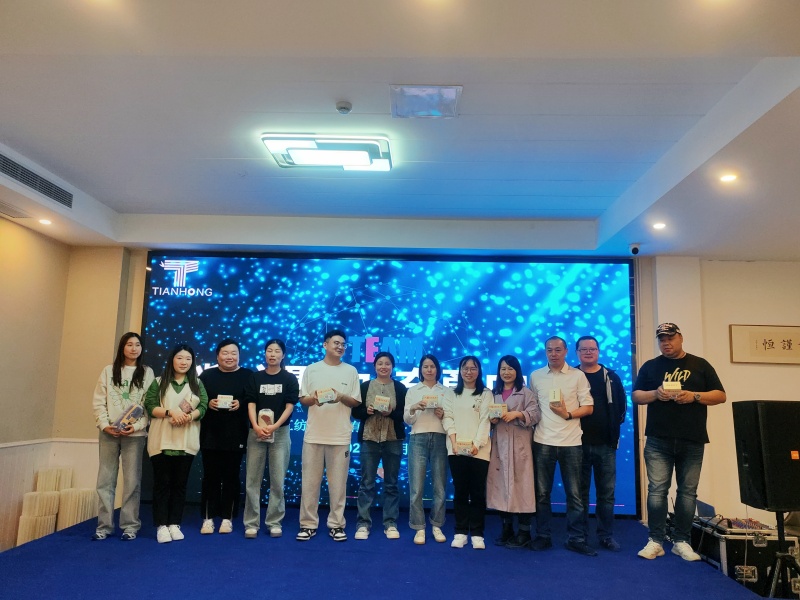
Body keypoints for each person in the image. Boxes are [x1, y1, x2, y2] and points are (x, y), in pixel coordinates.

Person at [633, 323, 726, 561]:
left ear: (681, 338)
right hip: (658, 439)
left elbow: (720, 395)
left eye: (670, 338)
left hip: (692, 439)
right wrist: (656, 394)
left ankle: (681, 541)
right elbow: (636, 396)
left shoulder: (700, 365)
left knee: (687, 492)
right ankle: (655, 540)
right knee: (657, 490)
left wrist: (694, 396)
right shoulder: (651, 366)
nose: (666, 343)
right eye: (662, 339)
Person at [529, 336, 596, 556]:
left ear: (566, 351)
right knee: (541, 494)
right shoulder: (536, 376)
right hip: (542, 441)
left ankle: (576, 539)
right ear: (545, 352)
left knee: (575, 495)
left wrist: (567, 414)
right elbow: (533, 407)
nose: (554, 353)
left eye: (558, 350)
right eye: (550, 350)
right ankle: (543, 536)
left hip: (571, 443)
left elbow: (588, 407)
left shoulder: (578, 376)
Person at [296, 329, 361, 542]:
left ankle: (336, 524)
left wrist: (341, 396)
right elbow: (303, 398)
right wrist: (314, 399)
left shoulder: (351, 371)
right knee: (310, 484)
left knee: (338, 485)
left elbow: (356, 401)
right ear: (325, 345)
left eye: (343, 344)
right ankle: (308, 524)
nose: (340, 347)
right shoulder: (312, 369)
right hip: (314, 435)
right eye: (336, 343)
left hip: (340, 436)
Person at [92, 332, 155, 541]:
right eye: (129, 344)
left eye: (137, 345)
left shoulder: (147, 372)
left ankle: (130, 526)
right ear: (122, 347)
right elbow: (99, 401)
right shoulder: (108, 371)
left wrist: (136, 426)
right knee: (105, 480)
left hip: (134, 436)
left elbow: (149, 405)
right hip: (109, 433)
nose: (134, 348)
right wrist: (104, 425)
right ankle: (104, 526)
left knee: (132, 481)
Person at [144, 343, 208, 544]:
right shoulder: (159, 381)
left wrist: (188, 417)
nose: (184, 362)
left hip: (185, 442)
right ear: (172, 359)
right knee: (162, 485)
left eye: (188, 359)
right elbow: (150, 405)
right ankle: (161, 525)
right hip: (161, 441)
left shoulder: (197, 383)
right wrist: (171, 412)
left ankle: (174, 523)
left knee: (180, 485)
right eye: (180, 358)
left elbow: (203, 406)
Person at [242, 338, 299, 539]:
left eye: (277, 351)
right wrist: (256, 426)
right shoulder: (255, 377)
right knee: (252, 480)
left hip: (280, 432)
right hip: (256, 432)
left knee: (277, 480)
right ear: (265, 353)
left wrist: (274, 426)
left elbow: (290, 406)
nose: (272, 354)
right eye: (269, 350)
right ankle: (251, 523)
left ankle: (274, 522)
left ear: (283, 355)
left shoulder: (289, 378)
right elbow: (250, 403)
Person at [575, 335, 627, 552]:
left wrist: (611, 428)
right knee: (579, 494)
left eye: (592, 349)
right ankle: (580, 536)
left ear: (598, 351)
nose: (588, 352)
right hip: (576, 445)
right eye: (584, 349)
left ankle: (605, 535)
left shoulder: (611, 377)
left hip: (606, 445)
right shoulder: (571, 376)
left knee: (606, 494)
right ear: (577, 353)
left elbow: (622, 408)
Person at [198, 339, 252, 535]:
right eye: (225, 353)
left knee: (231, 476)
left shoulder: (248, 375)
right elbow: (197, 400)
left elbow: (253, 399)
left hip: (236, 434)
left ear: (239, 355)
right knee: (210, 477)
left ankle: (227, 517)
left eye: (234, 353)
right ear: (217, 355)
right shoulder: (206, 375)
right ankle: (208, 518)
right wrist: (207, 403)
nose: (230, 357)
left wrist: (241, 404)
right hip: (210, 434)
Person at [486, 355, 540, 549]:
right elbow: (485, 418)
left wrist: (518, 414)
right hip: (500, 446)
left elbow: (536, 415)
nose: (506, 372)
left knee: (523, 488)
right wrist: (492, 420)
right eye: (503, 369)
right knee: (501, 487)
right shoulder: (493, 394)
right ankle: (506, 528)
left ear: (517, 371)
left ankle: (524, 532)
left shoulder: (526, 393)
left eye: (510, 368)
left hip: (520, 446)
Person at [353, 352, 407, 540]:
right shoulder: (365, 386)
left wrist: (391, 412)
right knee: (366, 483)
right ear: (374, 366)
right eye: (380, 363)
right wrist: (366, 411)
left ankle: (390, 523)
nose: (384, 367)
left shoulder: (400, 387)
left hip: (393, 440)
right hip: (369, 439)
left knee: (391, 484)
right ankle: (363, 523)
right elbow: (355, 412)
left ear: (392, 367)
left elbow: (405, 415)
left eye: (387, 364)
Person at [442, 355, 493, 550]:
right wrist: (454, 443)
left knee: (478, 492)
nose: (469, 372)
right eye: (465, 368)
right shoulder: (451, 393)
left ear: (478, 371)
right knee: (461, 491)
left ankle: (478, 533)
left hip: (479, 451)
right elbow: (448, 418)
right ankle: (461, 531)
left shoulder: (486, 393)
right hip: (456, 449)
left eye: (473, 368)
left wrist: (477, 444)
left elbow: (485, 421)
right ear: (460, 371)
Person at [404, 354, 451, 545]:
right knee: (416, 487)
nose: (429, 370)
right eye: (425, 366)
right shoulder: (413, 390)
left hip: (440, 438)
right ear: (421, 369)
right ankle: (419, 527)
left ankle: (437, 525)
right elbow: (407, 419)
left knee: (440, 486)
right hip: (418, 438)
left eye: (432, 366)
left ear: (437, 369)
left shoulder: (446, 391)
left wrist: (443, 414)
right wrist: (414, 408)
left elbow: (451, 418)